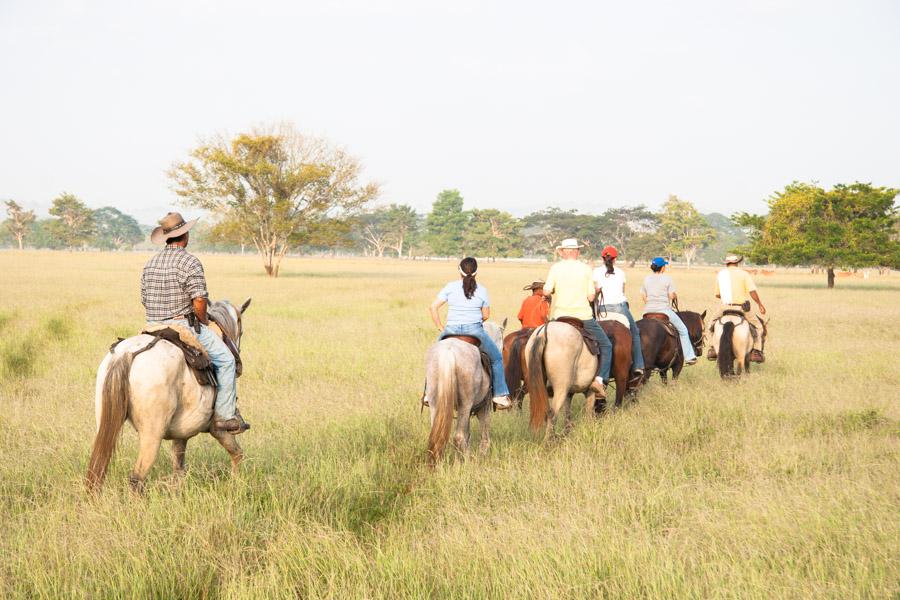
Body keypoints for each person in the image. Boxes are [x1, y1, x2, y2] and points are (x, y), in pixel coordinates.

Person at [141, 212, 249, 434]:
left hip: (151, 326)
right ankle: (225, 416)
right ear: (185, 235)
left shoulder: (150, 263)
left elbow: (144, 298)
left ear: (166, 237)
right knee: (227, 360)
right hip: (182, 326)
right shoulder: (189, 261)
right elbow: (199, 300)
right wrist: (202, 320)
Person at [427, 257, 512, 409]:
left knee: (433, 357)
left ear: (458, 270)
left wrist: (441, 327)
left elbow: (433, 307)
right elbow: (486, 316)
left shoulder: (450, 287)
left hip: (450, 330)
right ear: (476, 272)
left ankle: (428, 393)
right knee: (497, 359)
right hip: (475, 331)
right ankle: (500, 395)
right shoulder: (482, 290)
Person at [542, 238, 612, 398]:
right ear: (576, 252)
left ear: (563, 252)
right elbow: (590, 296)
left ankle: (545, 380)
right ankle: (599, 380)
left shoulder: (556, 268)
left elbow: (546, 292)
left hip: (560, 317)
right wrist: (594, 290)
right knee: (606, 345)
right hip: (582, 317)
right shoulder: (586, 269)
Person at [592, 245, 644, 378]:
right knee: (635, 333)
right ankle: (638, 365)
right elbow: (622, 291)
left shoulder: (595, 272)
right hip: (620, 307)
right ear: (615, 259)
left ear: (602, 258)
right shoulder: (620, 272)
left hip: (602, 308)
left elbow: (594, 292)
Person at [710, 254, 768, 362]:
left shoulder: (721, 274)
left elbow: (718, 295)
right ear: (737, 263)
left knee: (711, 325)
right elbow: (752, 291)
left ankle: (713, 348)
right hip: (741, 308)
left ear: (726, 263)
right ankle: (756, 351)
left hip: (724, 307)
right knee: (759, 326)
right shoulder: (744, 274)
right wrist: (760, 304)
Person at [639, 257, 697, 365]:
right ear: (662, 268)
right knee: (683, 330)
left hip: (647, 311)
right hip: (664, 311)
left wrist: (650, 302)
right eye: (664, 266)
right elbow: (671, 295)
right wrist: (674, 295)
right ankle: (689, 357)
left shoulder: (647, 279)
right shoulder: (667, 279)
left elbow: (643, 295)